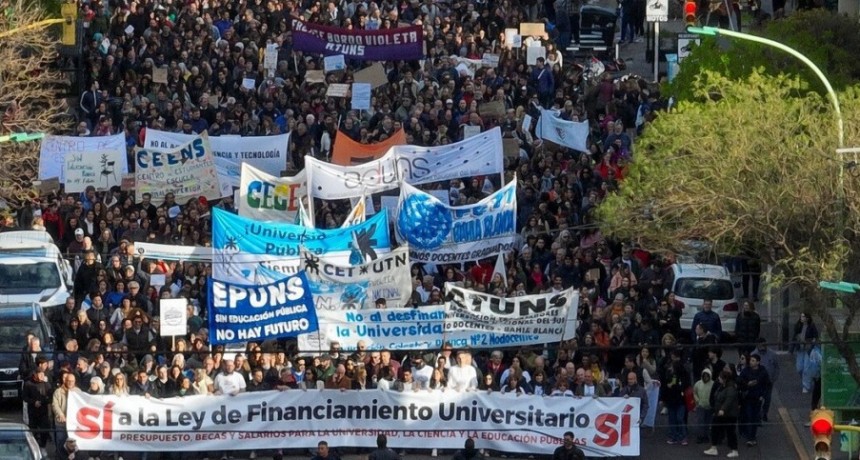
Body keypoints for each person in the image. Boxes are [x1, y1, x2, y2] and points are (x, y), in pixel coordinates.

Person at [704, 369, 739, 458]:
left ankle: (734, 450)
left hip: (729, 414)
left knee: (730, 432)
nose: (718, 378)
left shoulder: (731, 388)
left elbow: (729, 400)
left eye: (720, 377)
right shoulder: (721, 386)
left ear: (725, 379)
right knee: (715, 429)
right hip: (719, 413)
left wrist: (722, 409)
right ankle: (713, 447)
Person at [23, 366, 52, 456]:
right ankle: (34, 447)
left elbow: (50, 398)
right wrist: (33, 402)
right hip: (32, 412)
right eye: (40, 374)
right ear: (35, 374)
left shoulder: (47, 385)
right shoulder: (28, 384)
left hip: (43, 412)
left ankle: (43, 446)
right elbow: (25, 397)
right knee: (33, 431)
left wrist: (42, 402)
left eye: (43, 374)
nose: (42, 376)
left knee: (44, 429)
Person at [751, 337, 779, 422]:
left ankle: (764, 413)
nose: (763, 347)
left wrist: (774, 378)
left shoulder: (772, 354)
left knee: (767, 398)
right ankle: (758, 414)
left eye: (764, 345)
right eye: (761, 345)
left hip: (769, 381)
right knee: (758, 398)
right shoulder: (753, 354)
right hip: (758, 382)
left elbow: (776, 367)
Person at [692, 368, 714, 444]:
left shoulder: (713, 384)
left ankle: (706, 436)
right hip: (700, 406)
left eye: (707, 376)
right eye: (704, 376)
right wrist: (697, 400)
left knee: (707, 422)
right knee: (700, 421)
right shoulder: (698, 384)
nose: (705, 378)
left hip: (709, 406)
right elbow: (694, 392)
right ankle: (700, 436)